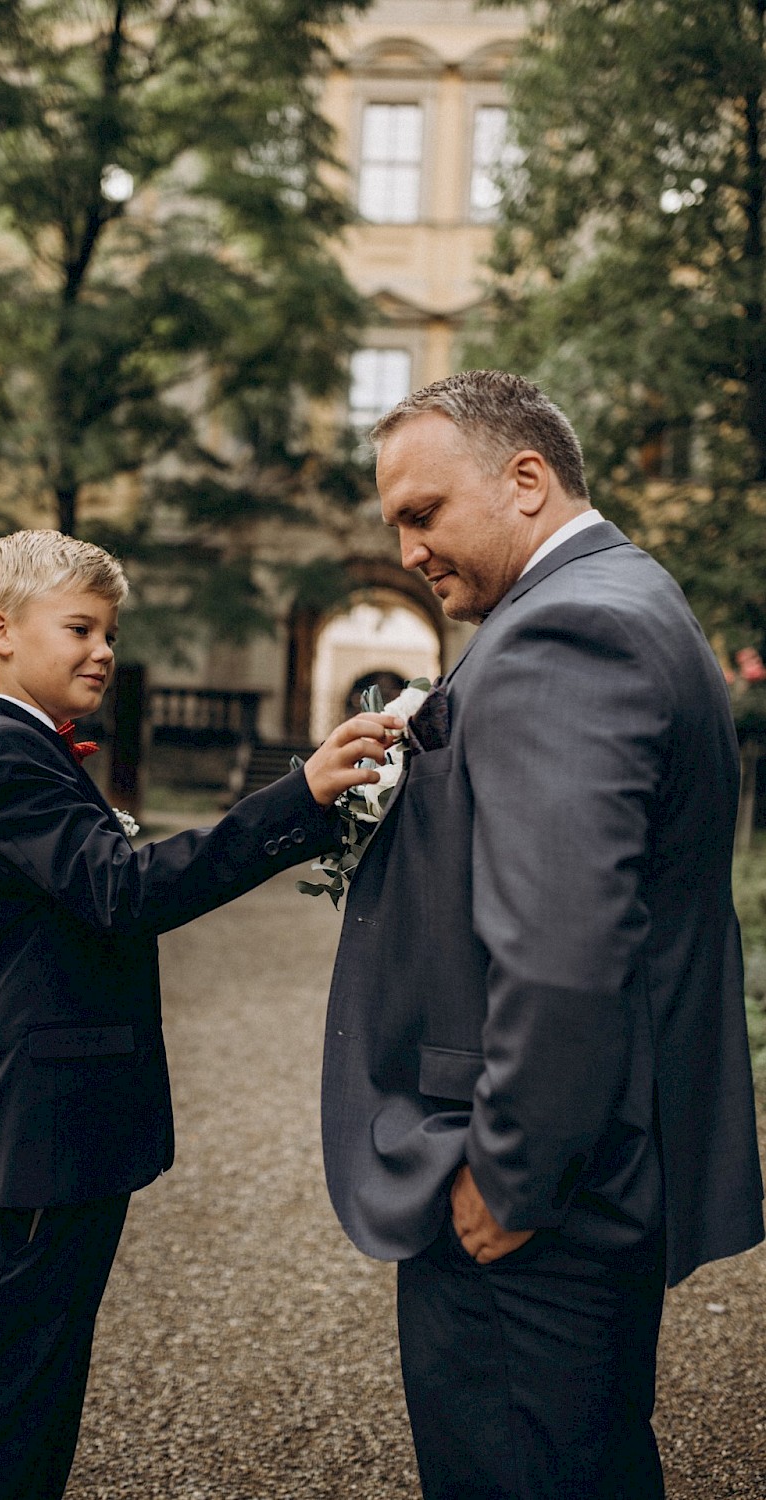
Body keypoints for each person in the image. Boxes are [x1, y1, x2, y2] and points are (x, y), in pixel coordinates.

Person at [320, 371, 764, 1499]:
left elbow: (564, 953)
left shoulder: (564, 631)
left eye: (423, 513)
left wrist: (505, 1180)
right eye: (394, 525)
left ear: (525, 480)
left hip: (542, 1203)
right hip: (604, 1165)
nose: (408, 549)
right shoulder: (624, 596)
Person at [0, 528, 401, 1500]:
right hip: (34, 1136)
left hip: (59, 1133)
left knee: (40, 1397)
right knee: (10, 1411)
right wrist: (298, 797)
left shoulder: (35, 752)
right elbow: (124, 891)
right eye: (80, 627)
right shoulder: (8, 758)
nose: (104, 649)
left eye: (109, 630)